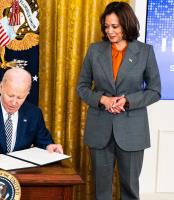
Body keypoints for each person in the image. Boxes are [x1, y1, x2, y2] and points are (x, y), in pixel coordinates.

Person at [77, 2, 161, 200]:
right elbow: (82, 87)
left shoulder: (145, 51)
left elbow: (155, 90)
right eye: (107, 26)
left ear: (127, 24)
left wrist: (127, 101)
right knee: (101, 190)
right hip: (100, 128)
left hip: (132, 131)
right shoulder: (94, 50)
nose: (110, 31)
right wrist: (103, 99)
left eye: (115, 26)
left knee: (130, 189)